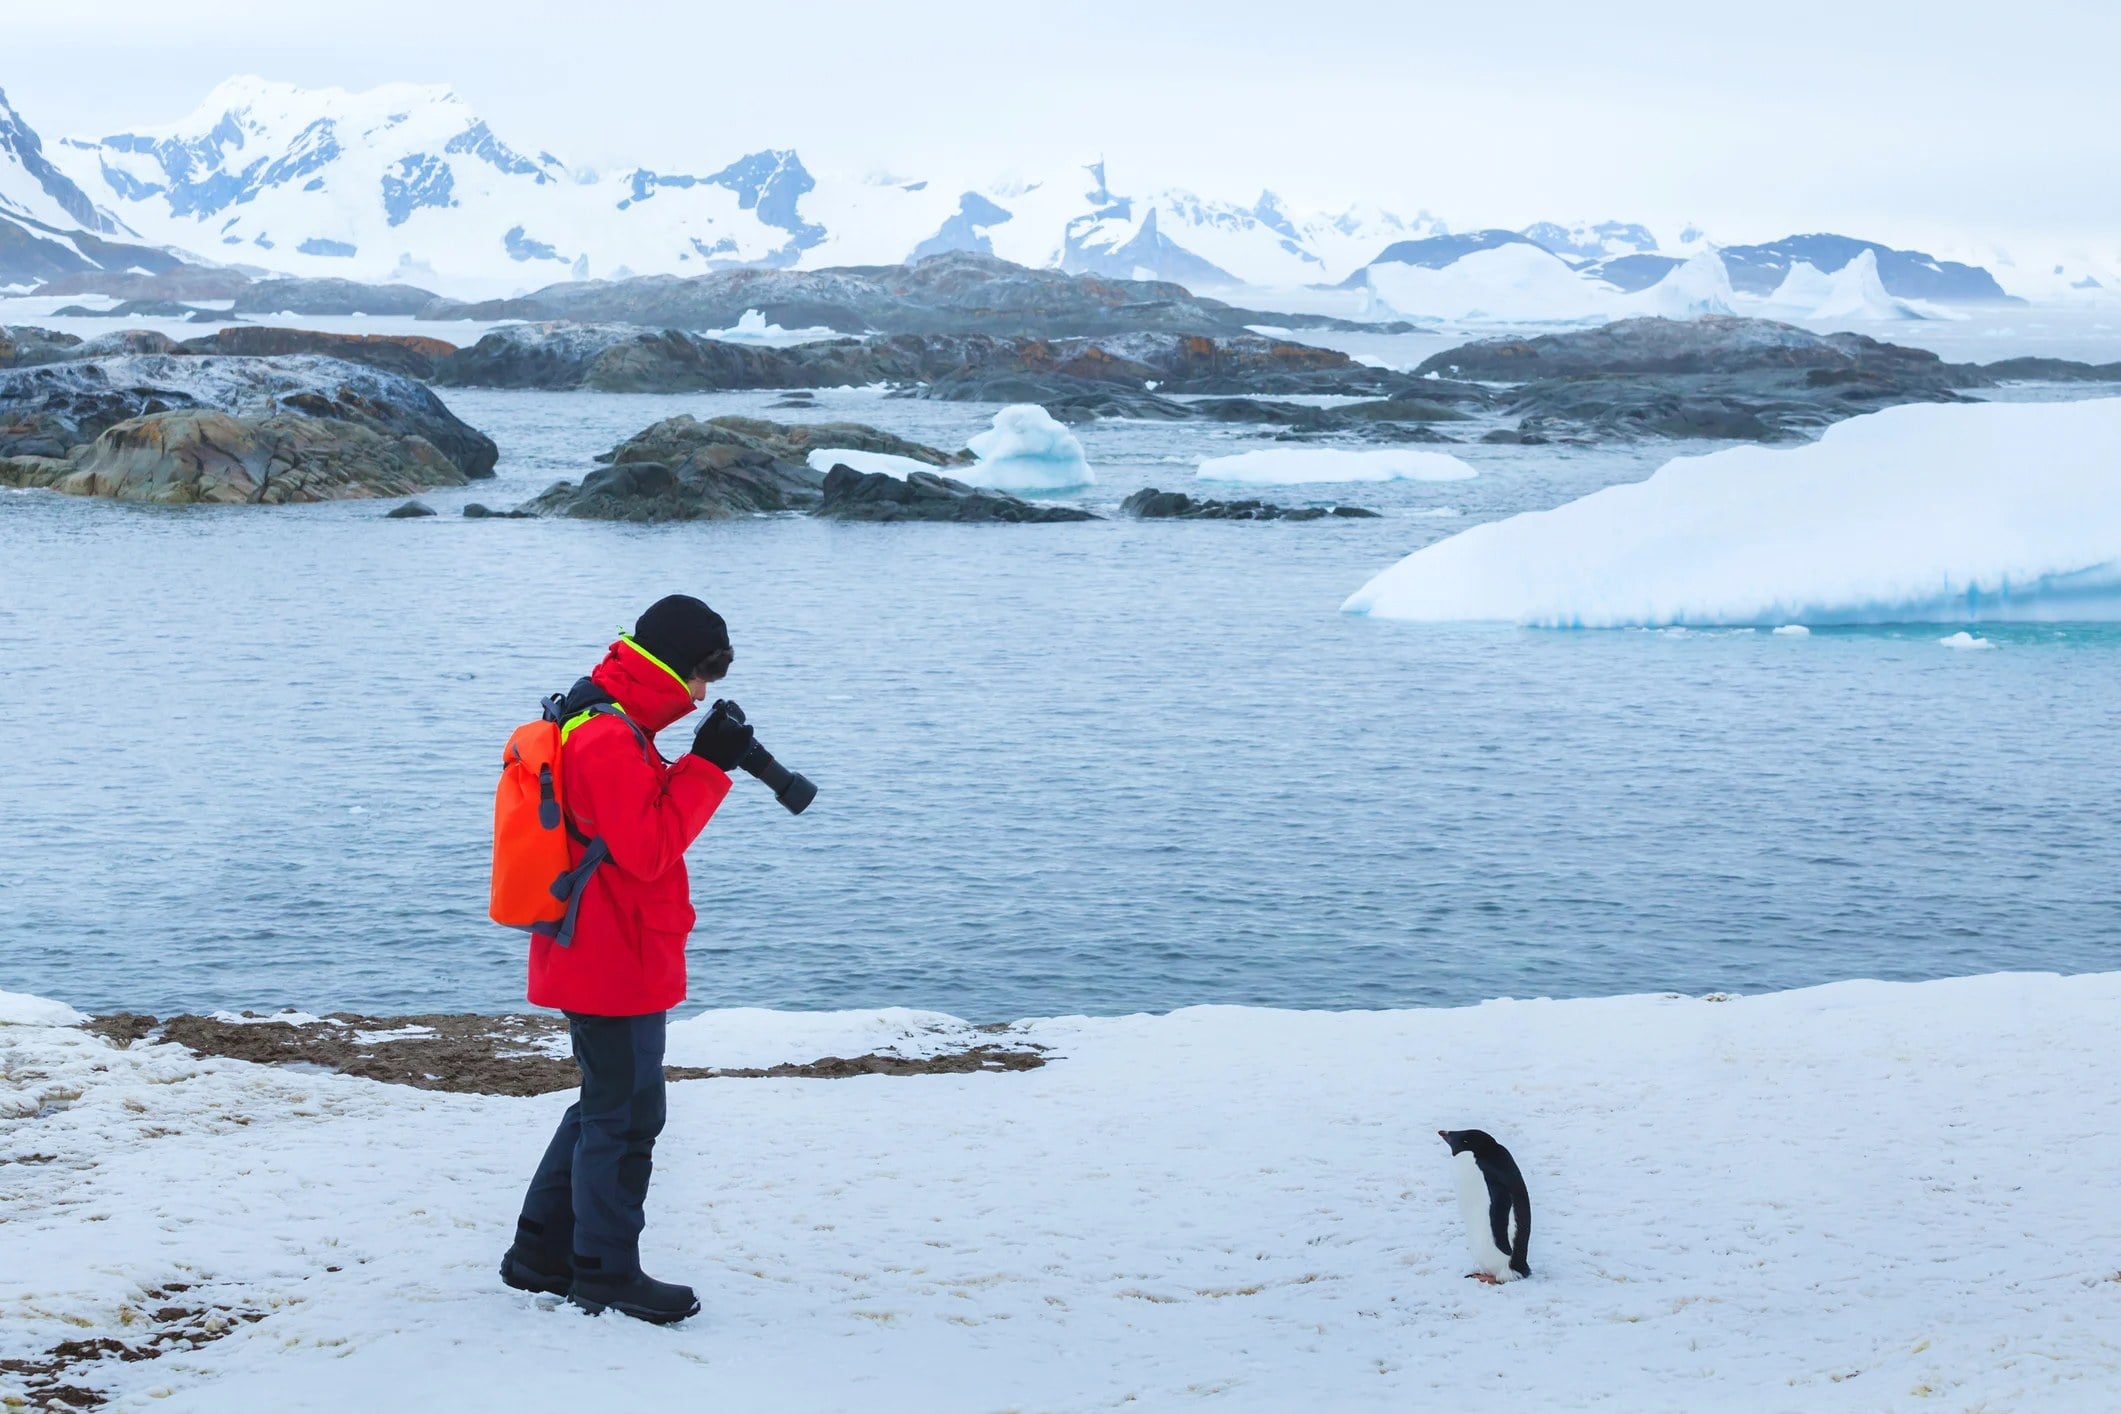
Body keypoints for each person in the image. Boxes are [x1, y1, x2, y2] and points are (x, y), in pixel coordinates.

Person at [499, 594, 757, 1324]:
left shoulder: (609, 717)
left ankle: (540, 1255)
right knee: (626, 1114)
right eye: (702, 677)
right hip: (611, 956)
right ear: (675, 667)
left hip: (606, 949)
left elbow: (624, 828)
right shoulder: (608, 736)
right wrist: (707, 768)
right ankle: (606, 1273)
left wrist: (695, 764)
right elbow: (645, 851)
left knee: (605, 1104)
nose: (703, 693)